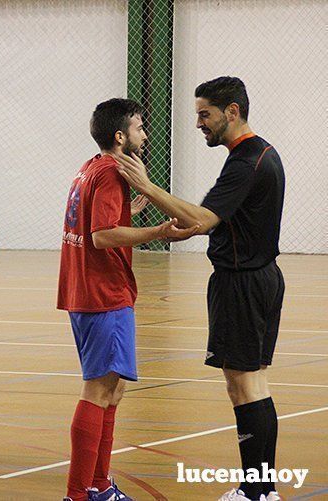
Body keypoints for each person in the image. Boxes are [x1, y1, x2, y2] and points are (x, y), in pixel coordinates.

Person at [114, 77, 285, 501]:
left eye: (204, 114)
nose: (198, 124)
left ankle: (258, 492)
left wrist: (148, 188)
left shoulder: (247, 161)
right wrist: (179, 226)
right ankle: (261, 489)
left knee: (245, 385)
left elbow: (204, 219)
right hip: (256, 279)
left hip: (243, 283)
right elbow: (210, 220)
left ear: (232, 111)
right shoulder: (257, 153)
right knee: (251, 383)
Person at [58, 98, 198, 501]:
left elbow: (96, 226)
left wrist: (126, 215)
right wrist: (158, 233)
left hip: (88, 292)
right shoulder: (111, 174)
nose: (145, 135)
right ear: (120, 136)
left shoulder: (91, 167)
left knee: (112, 390)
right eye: (139, 128)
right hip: (103, 294)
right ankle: (78, 493)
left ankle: (99, 484)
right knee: (99, 390)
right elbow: (101, 237)